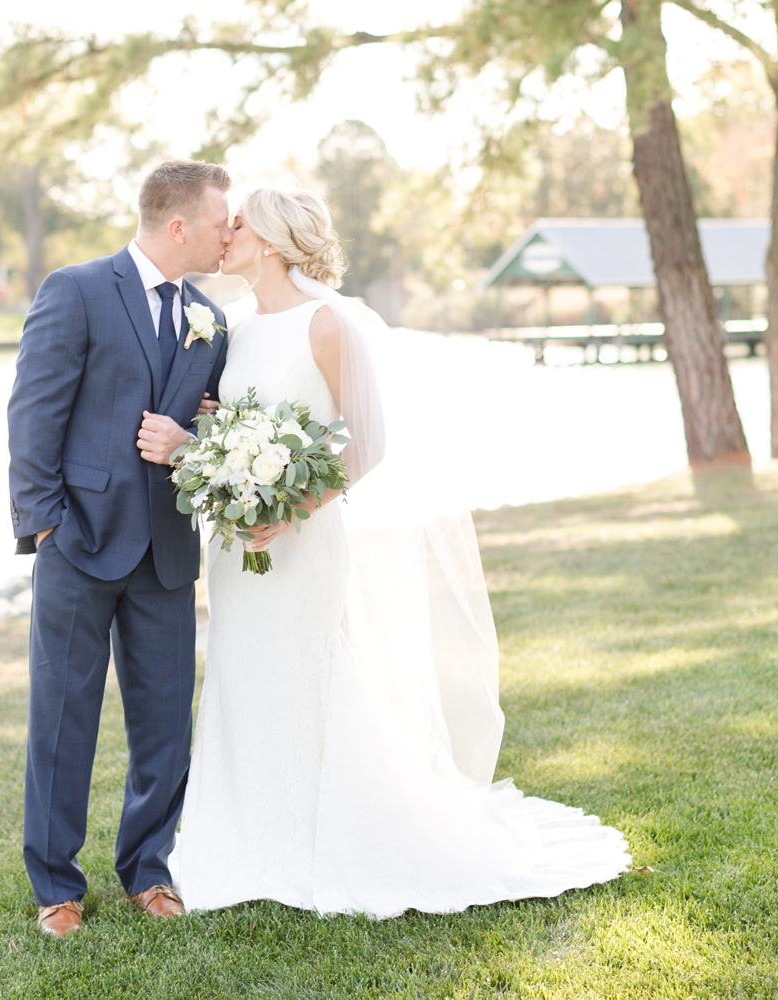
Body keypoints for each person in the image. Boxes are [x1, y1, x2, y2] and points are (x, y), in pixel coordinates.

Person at [164, 188, 630, 918]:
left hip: (301, 540)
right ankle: (248, 842)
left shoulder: (327, 323)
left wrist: (288, 511)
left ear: (276, 242)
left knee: (309, 674)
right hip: (237, 545)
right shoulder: (241, 328)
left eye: (240, 225)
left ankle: (329, 842)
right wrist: (221, 446)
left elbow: (366, 441)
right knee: (241, 675)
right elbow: (244, 419)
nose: (226, 234)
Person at [7, 159, 233, 939]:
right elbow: (34, 410)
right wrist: (42, 525)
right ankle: (56, 887)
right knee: (64, 717)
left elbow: (207, 427)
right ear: (179, 225)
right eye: (218, 220)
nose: (227, 232)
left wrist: (201, 431)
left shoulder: (211, 317)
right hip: (80, 543)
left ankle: (148, 869)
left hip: (166, 550)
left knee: (165, 723)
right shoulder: (77, 290)